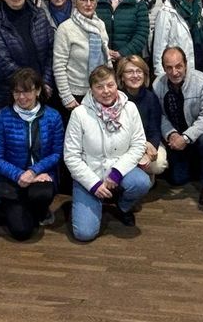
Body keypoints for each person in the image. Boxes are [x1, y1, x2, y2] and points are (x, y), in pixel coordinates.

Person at [65, 65, 151, 238]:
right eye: (99, 87)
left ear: (117, 84)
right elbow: (71, 156)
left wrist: (116, 173)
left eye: (110, 85)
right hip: (90, 174)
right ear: (91, 89)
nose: (106, 91)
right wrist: (94, 184)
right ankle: (95, 199)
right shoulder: (79, 114)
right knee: (84, 234)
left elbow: (138, 145)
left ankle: (123, 207)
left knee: (141, 182)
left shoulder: (130, 108)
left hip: (120, 170)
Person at [0, 69, 64, 241]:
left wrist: (34, 171)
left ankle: (39, 210)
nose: (21, 97)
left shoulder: (53, 116)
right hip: (11, 179)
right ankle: (15, 208)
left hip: (41, 175)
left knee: (41, 194)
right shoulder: (3, 117)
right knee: (21, 232)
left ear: (38, 91)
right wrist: (19, 174)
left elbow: (56, 153)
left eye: (27, 91)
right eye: (17, 92)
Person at [153, 46, 203, 205]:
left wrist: (186, 137)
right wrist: (171, 133)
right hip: (175, 135)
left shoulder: (202, 81)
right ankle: (194, 164)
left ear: (186, 64)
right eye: (169, 67)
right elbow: (160, 115)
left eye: (178, 66)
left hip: (197, 132)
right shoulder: (157, 85)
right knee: (177, 179)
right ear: (164, 68)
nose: (174, 72)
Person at [0, 0, 54, 109]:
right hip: (12, 93)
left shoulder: (39, 15)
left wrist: (45, 82)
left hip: (43, 89)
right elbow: (1, 61)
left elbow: (52, 51)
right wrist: (30, 86)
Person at [53, 0, 110, 109]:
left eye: (92, 0)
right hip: (76, 94)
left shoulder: (100, 25)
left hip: (100, 89)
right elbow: (59, 66)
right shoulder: (65, 28)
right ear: (75, 2)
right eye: (83, 0)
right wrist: (66, 97)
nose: (88, 4)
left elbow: (106, 54)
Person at [117, 55, 168, 179]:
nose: (135, 75)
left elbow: (155, 130)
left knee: (159, 164)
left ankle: (145, 175)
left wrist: (151, 148)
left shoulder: (151, 98)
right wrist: (143, 145)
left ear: (145, 75)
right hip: (123, 146)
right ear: (121, 76)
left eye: (139, 71)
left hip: (146, 144)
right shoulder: (116, 98)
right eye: (130, 72)